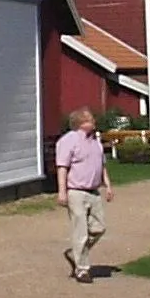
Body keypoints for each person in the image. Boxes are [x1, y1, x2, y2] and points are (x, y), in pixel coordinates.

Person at [54, 107, 112, 283]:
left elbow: (102, 166)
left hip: (93, 191)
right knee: (80, 230)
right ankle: (82, 269)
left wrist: (108, 186)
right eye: (90, 119)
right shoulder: (68, 141)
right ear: (81, 123)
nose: (94, 122)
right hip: (76, 191)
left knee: (99, 228)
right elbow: (62, 167)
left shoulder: (96, 142)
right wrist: (62, 191)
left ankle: (76, 253)